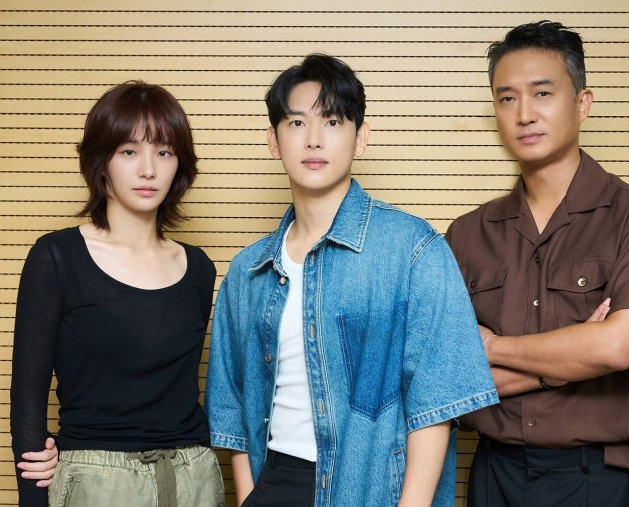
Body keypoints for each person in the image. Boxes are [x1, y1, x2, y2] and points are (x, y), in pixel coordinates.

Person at [205, 53, 498, 507]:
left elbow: (434, 404)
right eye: (297, 123)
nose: (314, 139)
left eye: (333, 122)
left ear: (360, 137)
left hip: (370, 489)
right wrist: (249, 497)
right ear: (273, 141)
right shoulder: (248, 271)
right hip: (276, 483)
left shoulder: (412, 249)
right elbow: (233, 409)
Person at [445, 21, 629, 507]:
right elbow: (450, 378)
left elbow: (616, 348)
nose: (524, 114)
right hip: (495, 475)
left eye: (542, 93)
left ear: (582, 103)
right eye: (507, 98)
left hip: (604, 478)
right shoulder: (467, 235)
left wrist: (493, 347)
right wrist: (560, 366)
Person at [10, 81, 226, 507]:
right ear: (102, 161)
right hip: (96, 481)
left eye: (164, 152)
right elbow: (27, 402)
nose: (148, 170)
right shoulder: (56, 257)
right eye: (129, 151)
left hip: (194, 477)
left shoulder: (199, 268)